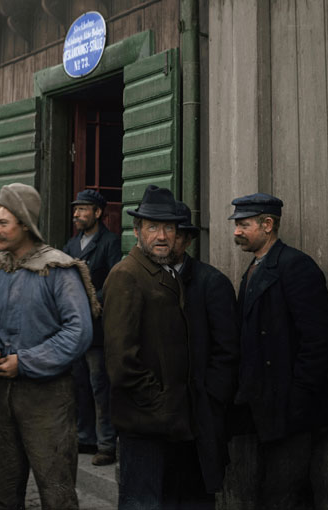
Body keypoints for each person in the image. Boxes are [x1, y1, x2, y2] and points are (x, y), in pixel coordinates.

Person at [0, 183, 96, 510]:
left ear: (25, 224)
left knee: (56, 492)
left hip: (48, 398)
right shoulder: (3, 268)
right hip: (3, 396)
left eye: (3, 223)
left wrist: (27, 361)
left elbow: (79, 332)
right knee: (0, 493)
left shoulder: (58, 270)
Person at [228, 193, 328, 508]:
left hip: (292, 410)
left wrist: (297, 396)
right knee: (285, 492)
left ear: (268, 224)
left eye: (244, 224)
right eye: (236, 224)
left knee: (282, 494)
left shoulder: (296, 266)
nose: (236, 232)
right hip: (266, 407)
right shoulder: (255, 268)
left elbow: (320, 339)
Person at [103, 185, 202, 509]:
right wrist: (160, 404)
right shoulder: (127, 275)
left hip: (170, 422)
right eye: (153, 227)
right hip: (145, 423)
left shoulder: (162, 273)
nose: (162, 236)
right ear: (137, 231)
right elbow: (121, 362)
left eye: (170, 228)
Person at [173, 200, 240, 501]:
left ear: (187, 240)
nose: (164, 238)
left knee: (196, 491)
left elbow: (228, 350)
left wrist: (211, 398)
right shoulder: (143, 280)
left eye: (175, 233)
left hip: (200, 413)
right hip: (161, 414)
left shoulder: (211, 283)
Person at [63, 189, 121, 465]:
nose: (76, 215)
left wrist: (90, 302)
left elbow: (113, 281)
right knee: (80, 384)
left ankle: (106, 444)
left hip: (98, 329)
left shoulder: (110, 243)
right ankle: (84, 437)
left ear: (98, 213)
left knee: (100, 385)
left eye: (83, 209)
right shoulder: (71, 246)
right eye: (76, 210)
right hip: (75, 329)